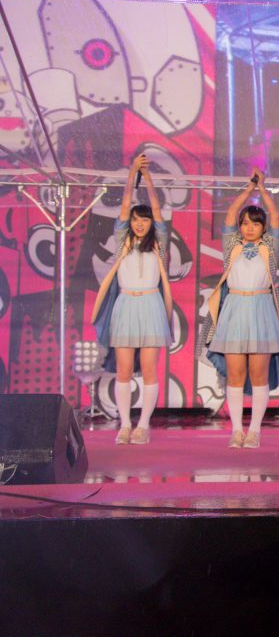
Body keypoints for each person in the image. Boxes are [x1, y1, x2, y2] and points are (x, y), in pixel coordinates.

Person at [200, 168, 279, 448]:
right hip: (234, 311)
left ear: (263, 228)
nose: (249, 227)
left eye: (255, 223)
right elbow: (231, 213)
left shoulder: (270, 247)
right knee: (235, 375)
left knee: (258, 375)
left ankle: (254, 431)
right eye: (245, 223)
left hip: (262, 311)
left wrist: (262, 189)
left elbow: (275, 216)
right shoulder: (232, 246)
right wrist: (249, 188)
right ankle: (236, 431)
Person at [92, 154, 173, 444]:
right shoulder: (122, 241)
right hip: (125, 305)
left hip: (151, 305)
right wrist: (131, 174)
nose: (139, 224)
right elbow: (125, 206)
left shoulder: (158, 243)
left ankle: (143, 425)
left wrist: (147, 177)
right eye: (136, 220)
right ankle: (125, 424)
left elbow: (157, 209)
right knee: (124, 370)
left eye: (144, 220)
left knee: (150, 369)